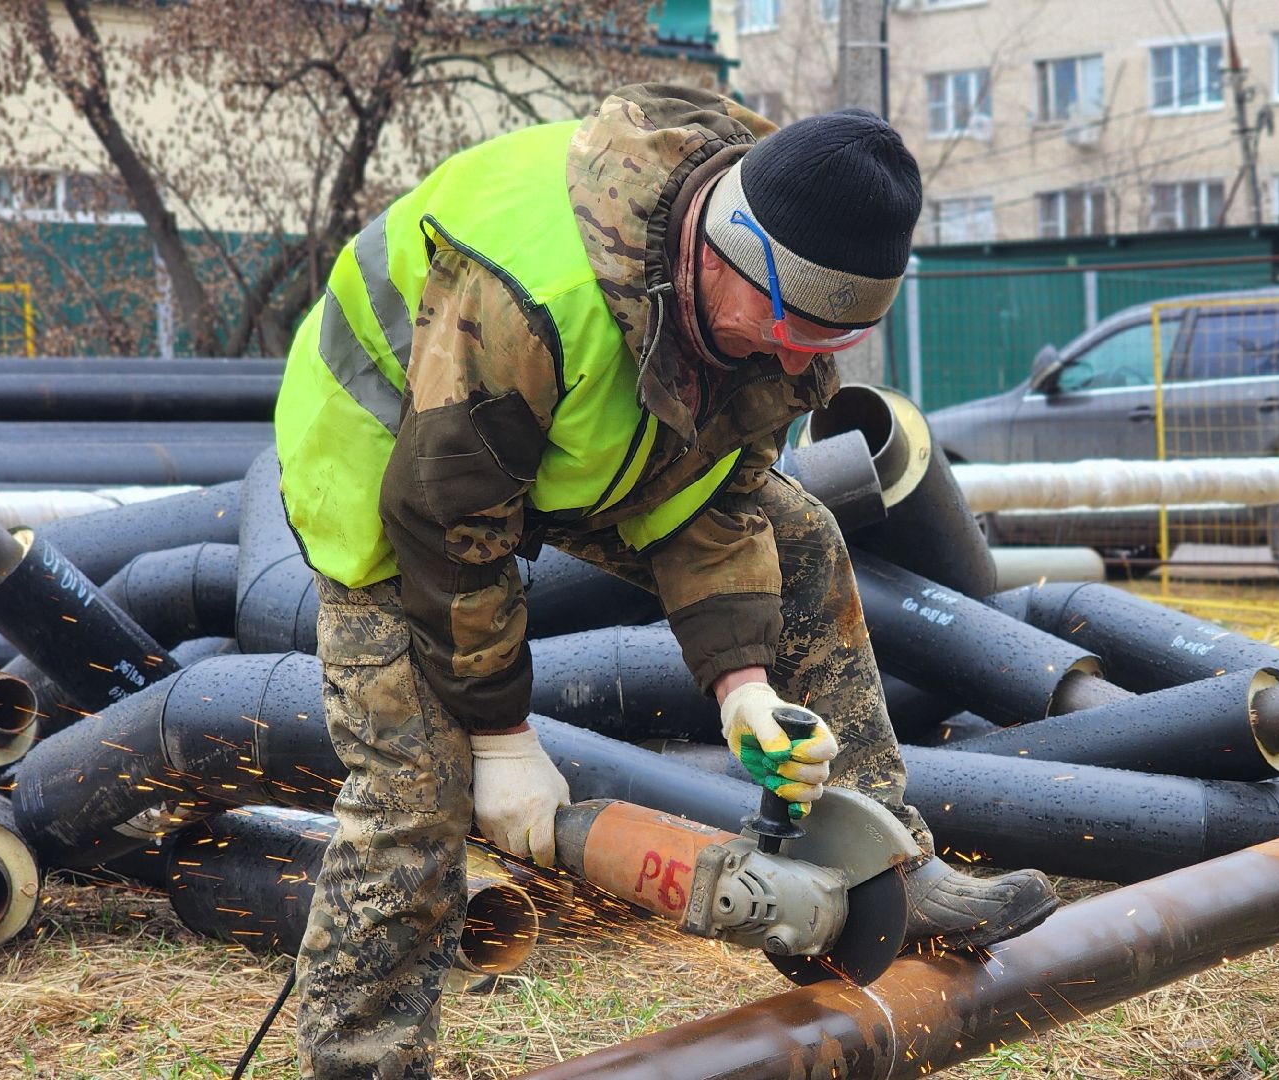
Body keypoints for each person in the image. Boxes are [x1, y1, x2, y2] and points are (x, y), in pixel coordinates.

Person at [271, 85, 1059, 1078]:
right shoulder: (524, 296)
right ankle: (365, 1064)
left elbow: (716, 494)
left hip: (578, 437)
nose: (794, 357)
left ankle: (878, 861)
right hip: (394, 467)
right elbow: (450, 523)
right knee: (415, 795)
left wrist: (746, 690)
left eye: (824, 343)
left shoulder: (782, 297)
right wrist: (503, 737)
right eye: (790, 328)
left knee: (802, 538)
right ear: (730, 251)